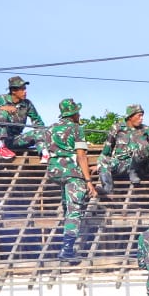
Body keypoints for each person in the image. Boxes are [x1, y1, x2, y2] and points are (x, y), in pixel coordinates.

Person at [47, 99, 96, 263]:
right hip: (71, 171)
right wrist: (88, 180)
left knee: (66, 206)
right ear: (73, 114)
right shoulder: (77, 129)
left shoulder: (51, 128)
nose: (79, 114)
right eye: (78, 112)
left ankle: (66, 244)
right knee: (74, 211)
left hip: (55, 170)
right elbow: (81, 155)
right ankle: (67, 250)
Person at [0, 75, 46, 160]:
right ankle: (0, 148)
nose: (25, 92)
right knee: (3, 112)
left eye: (25, 89)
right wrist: (0, 108)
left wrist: (43, 137)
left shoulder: (27, 104)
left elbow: (38, 122)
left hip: (13, 139)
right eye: (22, 89)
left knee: (39, 132)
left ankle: (44, 154)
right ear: (13, 91)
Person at [96, 103, 149, 192]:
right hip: (123, 164)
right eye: (139, 115)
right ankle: (107, 189)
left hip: (140, 167)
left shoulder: (146, 130)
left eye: (142, 116)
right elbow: (106, 151)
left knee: (145, 146)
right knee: (102, 159)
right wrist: (100, 165)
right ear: (130, 116)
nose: (141, 118)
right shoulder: (117, 128)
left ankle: (133, 171)